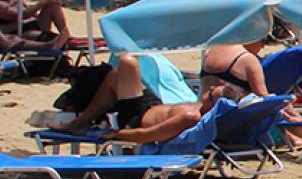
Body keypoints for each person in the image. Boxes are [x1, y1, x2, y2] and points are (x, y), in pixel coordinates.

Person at [49, 54, 202, 145]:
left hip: (137, 117)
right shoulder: (201, 109)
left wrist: (119, 134)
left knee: (127, 62)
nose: (211, 91)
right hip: (152, 105)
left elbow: (150, 134)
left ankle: (79, 123)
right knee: (116, 74)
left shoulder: (191, 117)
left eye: (212, 94)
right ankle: (81, 122)